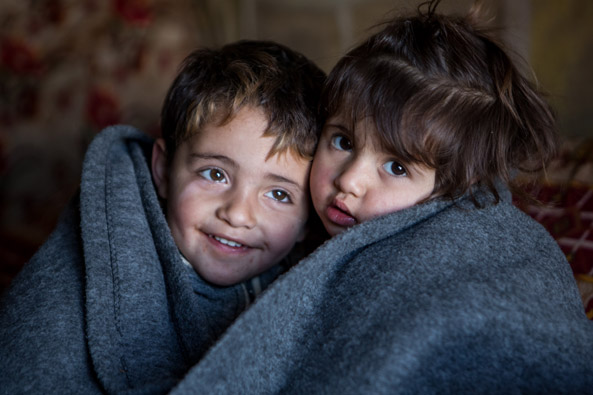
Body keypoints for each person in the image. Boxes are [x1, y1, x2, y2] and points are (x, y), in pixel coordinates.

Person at [168, 2, 593, 393]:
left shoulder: (459, 235)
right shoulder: (293, 233)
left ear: (453, 188)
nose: (350, 180)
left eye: (396, 167)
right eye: (343, 140)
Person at [0, 40, 325, 394]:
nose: (237, 214)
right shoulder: (71, 289)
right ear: (162, 170)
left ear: (308, 222)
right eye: (215, 174)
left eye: (279, 194)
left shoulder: (311, 289)